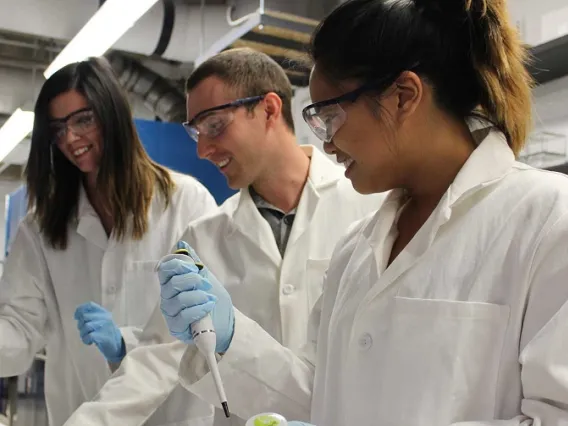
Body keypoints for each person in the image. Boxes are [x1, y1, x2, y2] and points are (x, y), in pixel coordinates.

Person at [158, 0, 568, 425]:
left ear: (404, 97)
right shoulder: (355, 250)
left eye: (329, 117)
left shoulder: (548, 220)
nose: (327, 143)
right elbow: (321, 395)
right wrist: (229, 339)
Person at [62, 48, 384, 426]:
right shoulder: (205, 237)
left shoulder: (371, 210)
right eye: (195, 133)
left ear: (268, 109)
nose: (201, 150)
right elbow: (159, 356)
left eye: (214, 126)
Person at [0, 57, 218, 426]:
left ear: (112, 114)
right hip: (79, 415)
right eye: (57, 129)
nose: (69, 138)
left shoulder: (185, 203)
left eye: (83, 120)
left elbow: (208, 323)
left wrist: (126, 345)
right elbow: (20, 331)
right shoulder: (42, 228)